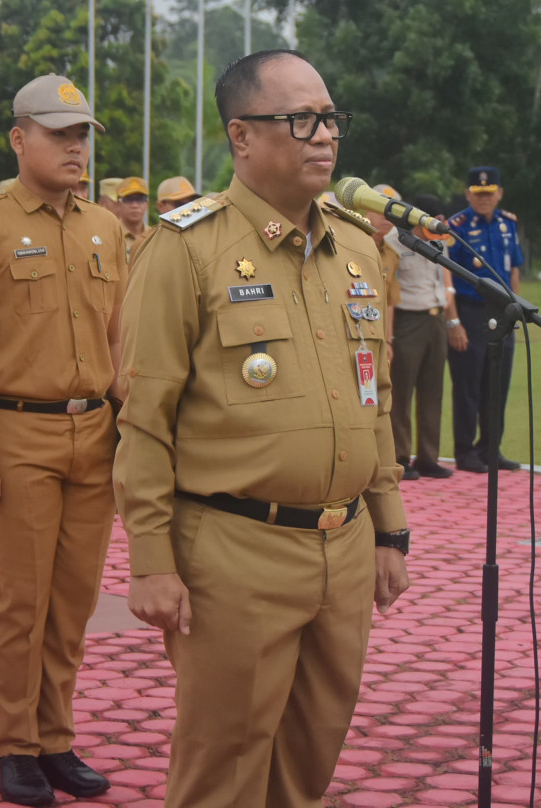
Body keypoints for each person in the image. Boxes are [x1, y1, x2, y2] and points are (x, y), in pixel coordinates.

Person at [115, 50, 411, 808]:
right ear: (241, 136)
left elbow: (371, 398)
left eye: (331, 119)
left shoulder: (356, 247)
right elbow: (144, 422)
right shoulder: (186, 249)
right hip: (234, 552)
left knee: (309, 762)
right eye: (301, 120)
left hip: (342, 549)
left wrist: (388, 530)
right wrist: (150, 559)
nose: (326, 137)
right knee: (225, 770)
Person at [0, 73, 126, 807]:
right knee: (22, 600)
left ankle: (56, 739)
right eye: (60, 134)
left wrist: (136, 425)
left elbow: (118, 344)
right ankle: (15, 745)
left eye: (83, 135)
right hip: (16, 433)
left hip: (94, 435)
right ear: (19, 139)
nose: (76, 148)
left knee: (73, 601)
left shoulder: (106, 227)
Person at [446, 166, 524, 473]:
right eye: (478, 194)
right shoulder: (457, 227)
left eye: (490, 193)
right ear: (468, 194)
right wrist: (453, 321)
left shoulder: (508, 225)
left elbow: (514, 267)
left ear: (500, 193)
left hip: (502, 310)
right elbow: (447, 275)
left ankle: (491, 448)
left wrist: (514, 307)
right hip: (470, 310)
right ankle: (465, 451)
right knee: (469, 384)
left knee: (498, 383)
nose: (484, 199)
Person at [390, 193, 456, 480]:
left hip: (436, 318)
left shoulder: (440, 242)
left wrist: (453, 321)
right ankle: (400, 457)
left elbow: (444, 281)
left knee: (433, 389)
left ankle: (429, 456)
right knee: (401, 391)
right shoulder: (395, 241)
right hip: (409, 320)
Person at [362, 184, 403, 367]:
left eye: (393, 211)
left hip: (377, 337)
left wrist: (388, 341)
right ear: (366, 209)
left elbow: (389, 303)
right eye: (381, 209)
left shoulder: (392, 254)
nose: (387, 217)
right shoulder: (346, 244)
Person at [115, 176, 149, 257]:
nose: (135, 205)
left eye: (140, 200)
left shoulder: (153, 236)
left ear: (147, 204)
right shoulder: (112, 235)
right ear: (119, 204)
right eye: (128, 199)